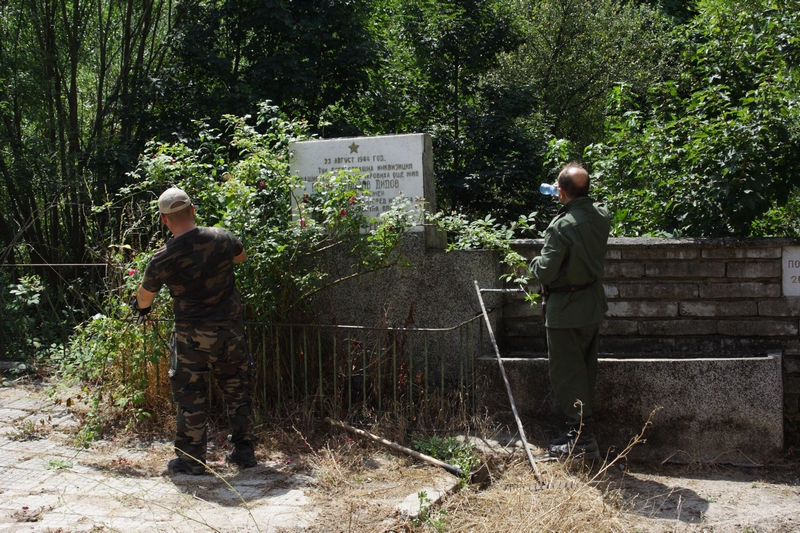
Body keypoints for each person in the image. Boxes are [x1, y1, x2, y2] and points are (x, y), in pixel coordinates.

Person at [133, 187, 256, 475]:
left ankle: (192, 461)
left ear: (164, 220)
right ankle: (244, 452)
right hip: (230, 331)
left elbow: (145, 298)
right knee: (238, 390)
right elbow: (241, 258)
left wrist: (142, 310)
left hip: (191, 337)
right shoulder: (222, 237)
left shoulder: (162, 257)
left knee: (190, 396)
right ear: (192, 210)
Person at [528, 163, 610, 459]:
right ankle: (580, 433)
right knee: (586, 371)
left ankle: (581, 441)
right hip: (591, 304)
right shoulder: (600, 216)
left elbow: (546, 272)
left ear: (560, 192)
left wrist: (533, 264)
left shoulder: (561, 226)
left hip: (566, 309)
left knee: (567, 374)